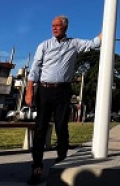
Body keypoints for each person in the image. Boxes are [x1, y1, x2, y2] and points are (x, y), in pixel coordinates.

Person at [25, 15, 101, 185]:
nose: (54, 28)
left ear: (65, 27)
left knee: (61, 127)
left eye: (58, 25)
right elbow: (35, 68)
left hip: (63, 90)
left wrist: (107, 26)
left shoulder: (73, 44)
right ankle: (36, 167)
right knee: (40, 128)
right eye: (53, 25)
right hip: (44, 89)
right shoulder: (44, 45)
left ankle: (61, 164)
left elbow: (94, 43)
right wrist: (29, 90)